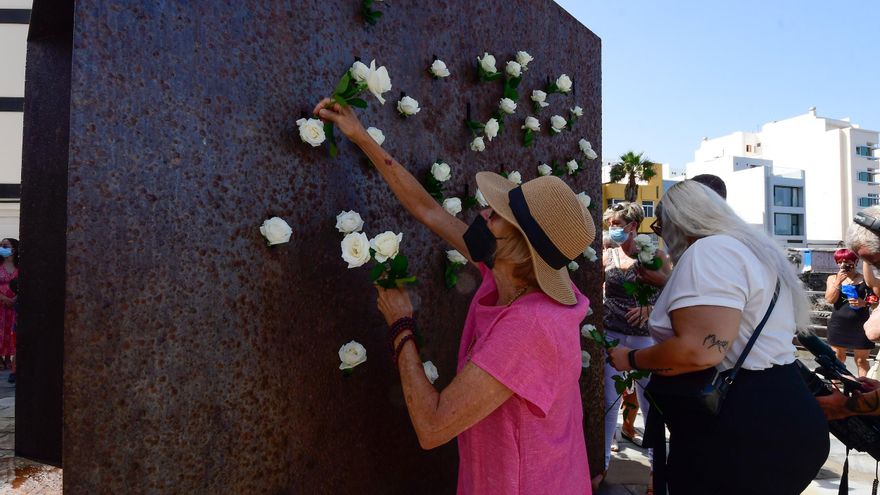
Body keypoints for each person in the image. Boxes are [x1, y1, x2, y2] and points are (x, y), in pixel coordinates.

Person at [314, 98, 596, 494]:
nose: (483, 214)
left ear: (518, 248)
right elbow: (428, 210)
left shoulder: (529, 328)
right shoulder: (509, 276)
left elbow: (433, 426)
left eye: (496, 215)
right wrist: (363, 139)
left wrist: (401, 327)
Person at [608, 180, 829, 495]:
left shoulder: (710, 250)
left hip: (741, 424)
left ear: (677, 222)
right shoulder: (748, 249)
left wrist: (630, 358)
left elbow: (699, 351)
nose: (661, 236)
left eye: (660, 226)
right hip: (776, 406)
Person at [598, 202, 672, 490]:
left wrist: (650, 309)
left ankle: (657, 468)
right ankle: (602, 463)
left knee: (649, 404)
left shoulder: (655, 256)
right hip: (612, 333)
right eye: (610, 225)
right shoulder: (608, 256)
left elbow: (671, 292)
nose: (612, 229)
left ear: (632, 226)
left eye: (617, 224)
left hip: (644, 338)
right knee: (608, 401)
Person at [824, 248, 876, 376]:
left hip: (860, 325)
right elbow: (830, 300)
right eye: (839, 262)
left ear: (856, 261)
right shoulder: (832, 279)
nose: (843, 265)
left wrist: (863, 303)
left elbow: (874, 300)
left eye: (847, 262)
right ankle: (838, 388)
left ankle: (864, 392)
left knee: (861, 361)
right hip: (839, 325)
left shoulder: (865, 279)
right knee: (838, 359)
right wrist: (838, 282)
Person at [0, 238, 18, 376]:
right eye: (1, 246)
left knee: (10, 330)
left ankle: (8, 358)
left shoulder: (20, 267)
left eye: (5, 245)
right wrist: (4, 298)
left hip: (14, 305)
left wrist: (14, 299)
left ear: (14, 248)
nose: (2, 248)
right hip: (1, 303)